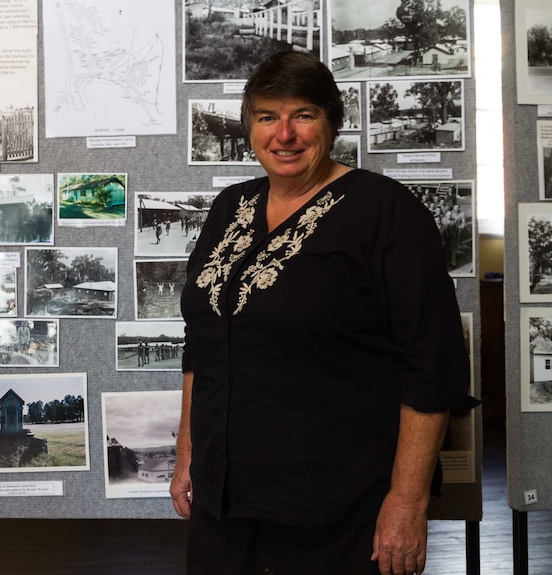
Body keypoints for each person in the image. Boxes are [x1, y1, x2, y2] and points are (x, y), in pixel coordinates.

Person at [170, 51, 476, 575]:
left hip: (334, 509)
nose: (284, 134)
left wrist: (407, 503)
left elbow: (431, 365)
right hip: (225, 502)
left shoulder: (386, 212)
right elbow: (203, 339)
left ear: (333, 122)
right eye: (267, 117)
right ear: (250, 127)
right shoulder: (230, 207)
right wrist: (186, 455)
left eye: (303, 115)